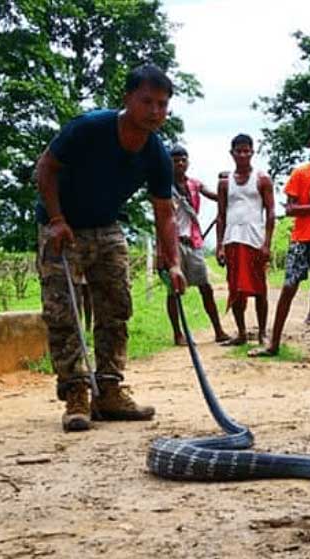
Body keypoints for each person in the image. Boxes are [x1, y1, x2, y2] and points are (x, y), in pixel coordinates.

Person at [35, 64, 186, 432]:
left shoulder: (157, 154)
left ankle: (109, 388)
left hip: (106, 225)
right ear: (127, 100)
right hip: (62, 225)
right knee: (64, 311)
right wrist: (56, 220)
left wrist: (175, 264)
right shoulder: (88, 128)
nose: (155, 111)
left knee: (116, 305)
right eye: (147, 101)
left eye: (162, 104)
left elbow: (164, 213)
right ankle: (75, 393)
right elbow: (45, 167)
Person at [249, 123, 310, 364]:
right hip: (302, 239)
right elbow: (291, 209)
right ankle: (273, 343)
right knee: (289, 287)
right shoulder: (299, 173)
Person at [164, 144, 230, 345]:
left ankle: (218, 330)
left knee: (205, 286)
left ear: (188, 161)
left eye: (183, 159)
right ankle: (178, 334)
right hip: (172, 244)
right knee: (173, 291)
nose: (180, 163)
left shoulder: (195, 185)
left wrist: (227, 187)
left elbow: (217, 196)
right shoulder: (164, 188)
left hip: (193, 242)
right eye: (176, 160)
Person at [216, 134, 274, 346]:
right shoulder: (224, 183)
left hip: (254, 240)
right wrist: (220, 246)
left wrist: (267, 243)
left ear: (252, 152)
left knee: (260, 289)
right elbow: (220, 216)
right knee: (236, 289)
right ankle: (241, 332)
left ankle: (262, 333)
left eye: (246, 150)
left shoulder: (262, 179)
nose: (242, 154)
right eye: (238, 151)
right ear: (232, 153)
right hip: (232, 240)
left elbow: (271, 212)